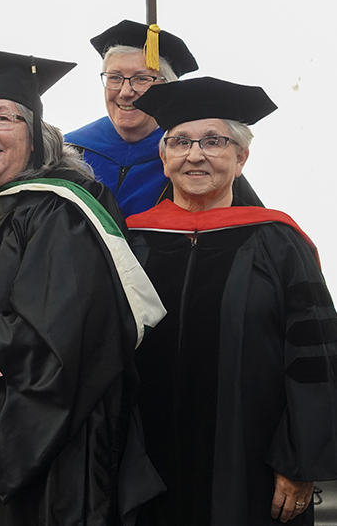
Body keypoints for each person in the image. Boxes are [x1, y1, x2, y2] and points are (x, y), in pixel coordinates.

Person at [0, 47, 167, 525]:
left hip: (35, 445)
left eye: (3, 117)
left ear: (36, 134)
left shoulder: (60, 213)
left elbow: (63, 334)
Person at [126, 77, 337, 525]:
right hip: (145, 465)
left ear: (241, 158)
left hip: (252, 466)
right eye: (180, 142)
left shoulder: (279, 244)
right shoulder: (134, 241)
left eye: (214, 141)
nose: (195, 154)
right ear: (163, 158)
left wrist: (297, 462)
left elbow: (314, 358)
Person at [64, 19, 261, 216]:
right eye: (114, 77)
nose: (125, 92)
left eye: (141, 79)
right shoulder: (70, 151)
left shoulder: (191, 155)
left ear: (168, 89)